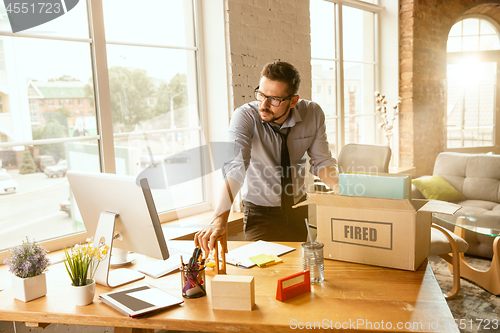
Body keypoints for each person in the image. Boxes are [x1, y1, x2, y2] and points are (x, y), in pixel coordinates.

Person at [194, 61, 338, 253]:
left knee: (297, 272)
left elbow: (322, 161)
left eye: (274, 99)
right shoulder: (245, 117)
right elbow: (236, 166)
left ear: (293, 101)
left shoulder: (313, 113)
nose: (264, 105)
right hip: (260, 213)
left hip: (298, 208)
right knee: (265, 272)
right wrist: (220, 218)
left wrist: (341, 189)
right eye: (261, 95)